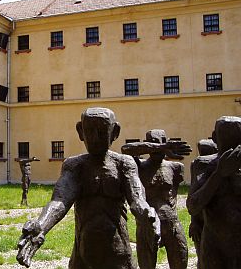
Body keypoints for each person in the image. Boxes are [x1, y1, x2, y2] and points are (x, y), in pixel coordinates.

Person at [16, 107, 160, 269]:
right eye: (89, 131)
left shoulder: (124, 164)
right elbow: (60, 201)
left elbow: (137, 200)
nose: (95, 138)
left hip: (118, 252)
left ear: (115, 132)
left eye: (102, 131)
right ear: (80, 131)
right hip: (82, 253)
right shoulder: (75, 166)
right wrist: (41, 226)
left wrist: (148, 215)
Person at [121, 130, 191, 269]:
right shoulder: (139, 166)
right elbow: (126, 150)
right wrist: (162, 147)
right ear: (147, 144)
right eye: (153, 142)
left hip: (172, 223)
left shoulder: (176, 167)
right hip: (148, 224)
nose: (158, 146)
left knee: (181, 260)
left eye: (161, 141)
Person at [187, 116, 241, 269]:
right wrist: (218, 175)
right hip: (215, 245)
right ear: (215, 138)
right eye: (227, 138)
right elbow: (193, 205)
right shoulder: (203, 165)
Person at [188, 138, 217, 269]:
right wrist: (193, 221)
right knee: (203, 252)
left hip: (209, 217)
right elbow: (193, 197)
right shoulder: (198, 164)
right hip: (200, 216)